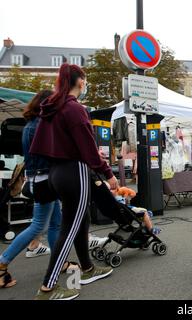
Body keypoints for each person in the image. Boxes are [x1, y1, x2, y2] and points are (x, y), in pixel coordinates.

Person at [30, 63, 118, 300]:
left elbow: (45, 145)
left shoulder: (52, 108)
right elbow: (88, 148)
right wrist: (109, 175)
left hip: (57, 172)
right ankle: (47, 287)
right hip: (74, 171)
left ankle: (87, 268)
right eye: (85, 80)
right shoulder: (74, 109)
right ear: (80, 81)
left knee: (81, 219)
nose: (85, 84)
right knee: (69, 228)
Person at [0, 90, 77, 289]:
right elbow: (52, 154)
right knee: (38, 226)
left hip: (38, 179)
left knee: (54, 225)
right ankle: (2, 262)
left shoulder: (29, 126)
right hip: (44, 181)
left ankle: (59, 263)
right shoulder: (41, 126)